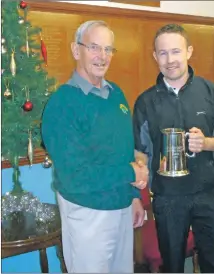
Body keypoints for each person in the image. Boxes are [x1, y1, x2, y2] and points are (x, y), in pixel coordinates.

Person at [133, 24, 214, 273]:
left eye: (176, 51)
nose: (170, 59)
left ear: (189, 51)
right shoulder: (145, 102)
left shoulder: (212, 93)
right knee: (172, 266)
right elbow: (140, 152)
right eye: (162, 53)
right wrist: (137, 190)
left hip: (210, 193)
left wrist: (206, 142)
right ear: (155, 56)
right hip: (168, 198)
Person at [41, 20, 148, 273]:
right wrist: (131, 173)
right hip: (88, 213)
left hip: (121, 207)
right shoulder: (61, 105)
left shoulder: (116, 95)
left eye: (109, 49)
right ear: (76, 50)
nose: (103, 56)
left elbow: (123, 151)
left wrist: (133, 197)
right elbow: (75, 176)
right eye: (94, 47)